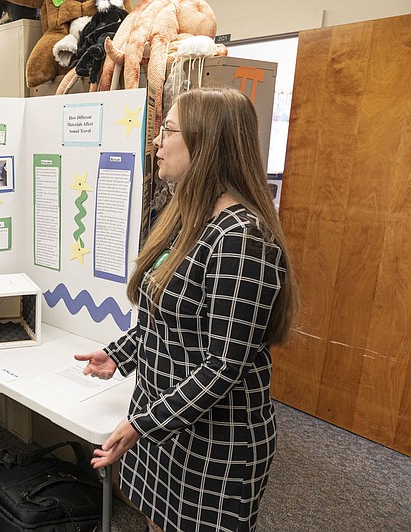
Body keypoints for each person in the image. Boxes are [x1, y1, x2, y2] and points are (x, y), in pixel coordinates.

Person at [76, 87, 298, 532]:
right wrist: (121, 353)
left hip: (215, 441)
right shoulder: (189, 217)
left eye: (169, 130)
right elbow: (167, 319)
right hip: (168, 422)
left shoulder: (241, 238)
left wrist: (141, 424)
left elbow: (223, 365)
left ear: (207, 141)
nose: (156, 141)